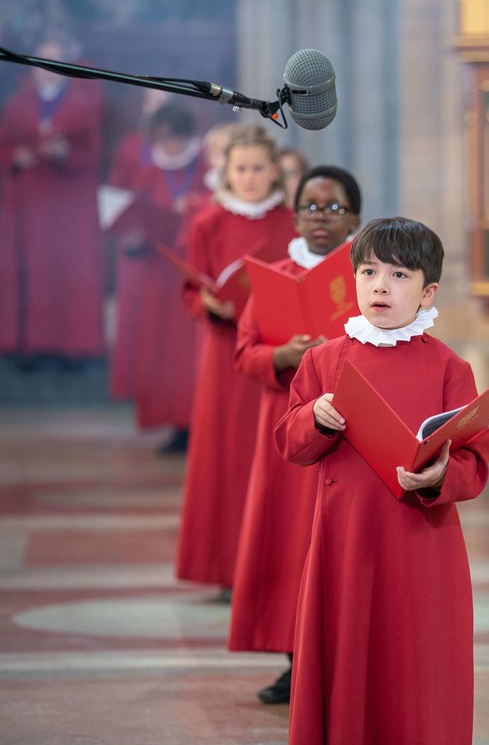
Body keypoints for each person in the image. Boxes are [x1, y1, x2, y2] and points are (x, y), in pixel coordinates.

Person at [274, 217, 489, 745]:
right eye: (368, 271)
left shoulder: (449, 368)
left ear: (427, 292)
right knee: (348, 653)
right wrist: (315, 418)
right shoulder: (324, 359)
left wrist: (441, 475)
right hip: (345, 539)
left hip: (421, 544)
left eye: (398, 275)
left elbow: (474, 463)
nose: (380, 286)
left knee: (416, 662)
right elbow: (290, 442)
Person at [228, 165, 362, 705]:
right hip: (286, 430)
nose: (319, 218)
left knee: (342, 547)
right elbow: (244, 352)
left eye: (332, 209)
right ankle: (294, 661)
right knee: (289, 545)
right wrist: (284, 354)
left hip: (349, 435)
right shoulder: (274, 276)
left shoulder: (367, 273)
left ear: (354, 216)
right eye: (309, 207)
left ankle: (346, 664)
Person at [175, 124, 296, 596]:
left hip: (277, 353)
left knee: (274, 457)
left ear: (274, 171)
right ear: (226, 170)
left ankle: (277, 568)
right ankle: (228, 570)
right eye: (240, 168)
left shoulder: (289, 221)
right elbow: (192, 286)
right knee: (226, 458)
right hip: (226, 356)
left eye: (258, 168)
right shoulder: (208, 222)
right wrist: (207, 303)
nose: (249, 177)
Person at [0, 31, 106, 367]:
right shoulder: (17, 104)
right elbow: (4, 149)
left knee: (72, 271)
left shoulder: (84, 104)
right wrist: (18, 156)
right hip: (30, 200)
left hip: (69, 199)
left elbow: (94, 153)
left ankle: (74, 348)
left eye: (53, 61)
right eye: (40, 61)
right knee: (33, 271)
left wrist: (65, 153)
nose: (46, 68)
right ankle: (32, 346)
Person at [107, 101, 207, 451]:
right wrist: (134, 237)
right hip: (159, 275)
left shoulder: (207, 168)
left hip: (196, 272)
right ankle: (176, 425)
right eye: (162, 141)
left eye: (174, 140)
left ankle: (198, 423)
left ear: (186, 136)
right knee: (163, 352)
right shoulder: (148, 175)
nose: (169, 148)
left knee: (192, 352)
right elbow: (132, 218)